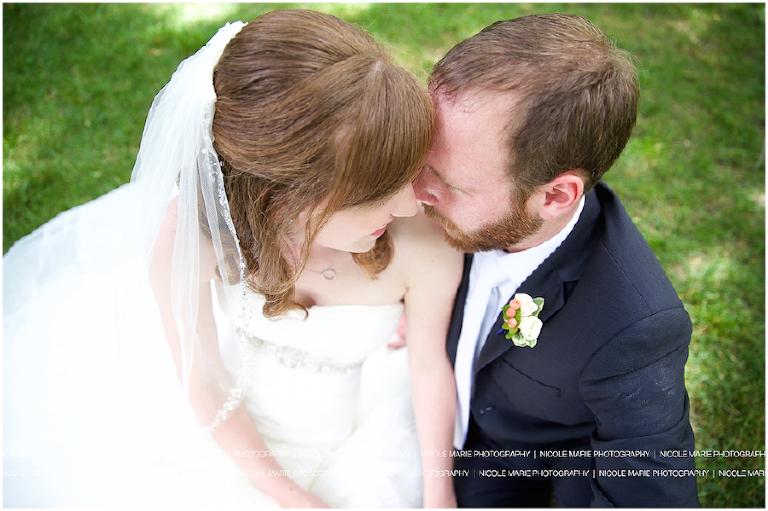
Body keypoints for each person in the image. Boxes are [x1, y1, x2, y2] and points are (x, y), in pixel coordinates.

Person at [3, 10, 462, 508]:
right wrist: (287, 494)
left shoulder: (423, 243)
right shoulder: (190, 238)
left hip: (351, 423)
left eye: (407, 174)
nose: (410, 205)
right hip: (220, 426)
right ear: (281, 195)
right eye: (376, 194)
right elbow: (202, 379)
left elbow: (428, 367)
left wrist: (440, 496)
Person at [413, 13, 700, 507]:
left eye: (450, 184)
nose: (414, 192)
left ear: (554, 197)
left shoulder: (633, 327)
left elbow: (651, 494)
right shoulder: (442, 202)